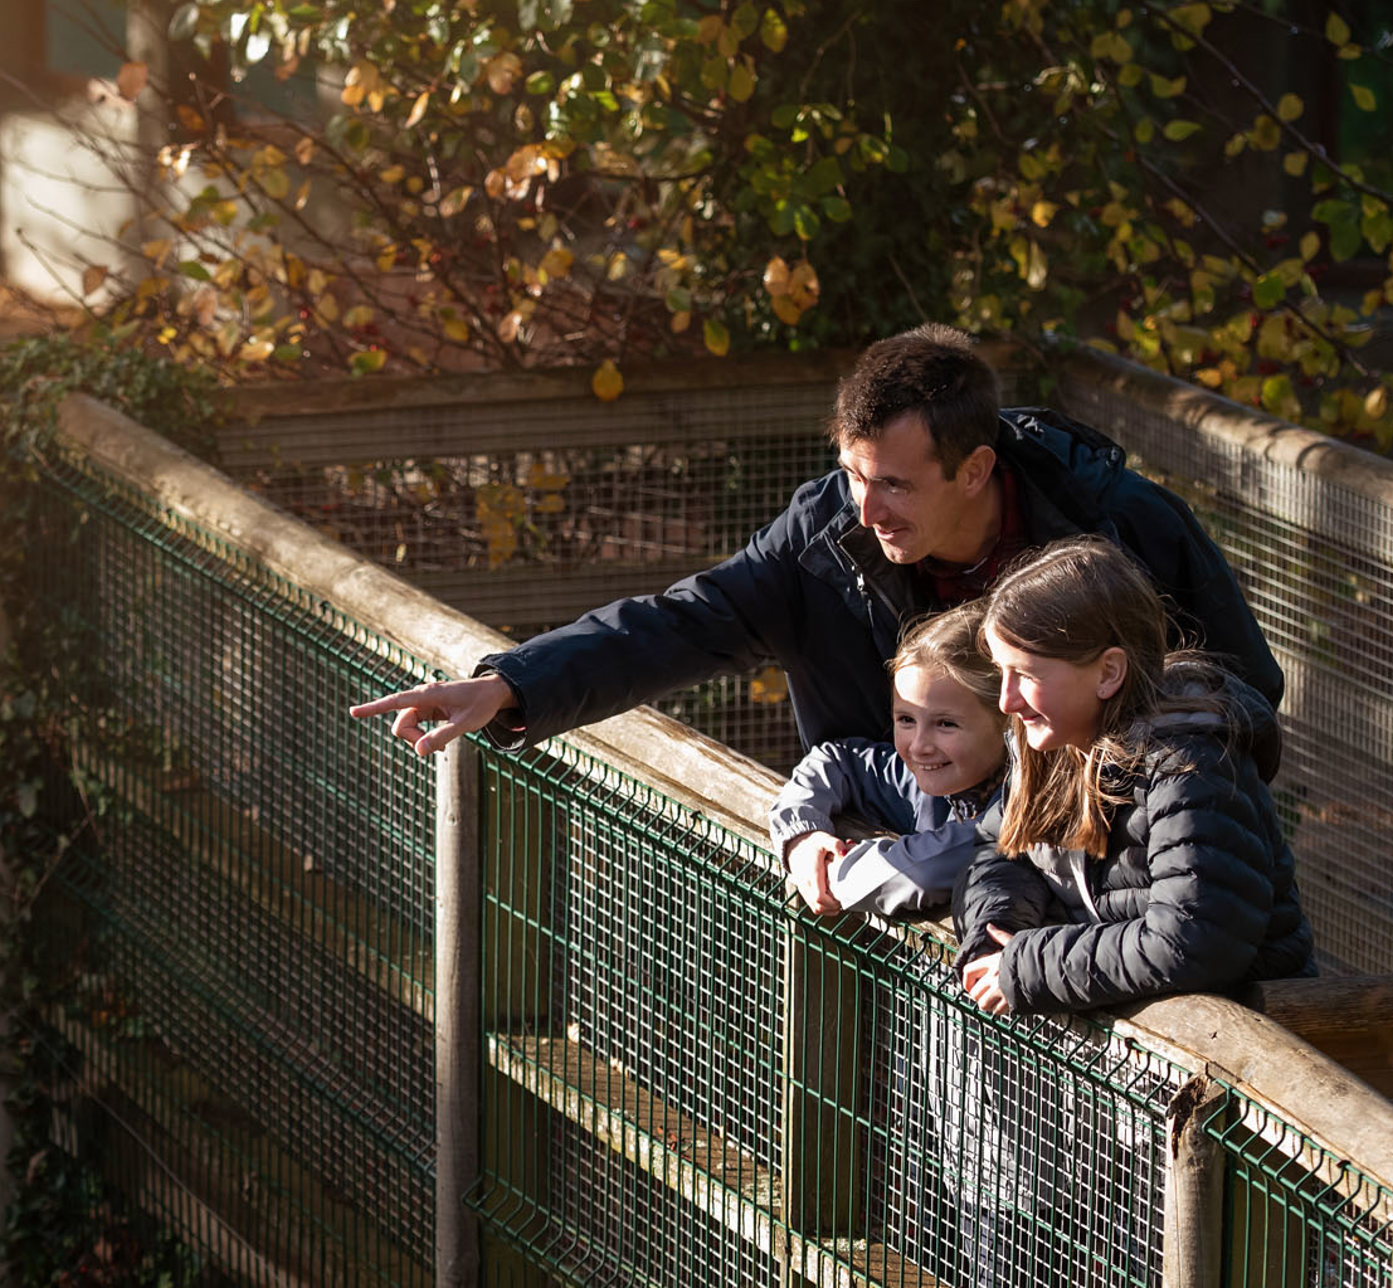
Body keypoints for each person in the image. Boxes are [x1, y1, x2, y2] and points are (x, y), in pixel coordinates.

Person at [352, 324, 1282, 759]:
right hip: (905, 869)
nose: (866, 509)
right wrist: (517, 683)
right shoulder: (824, 539)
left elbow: (1246, 694)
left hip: (1093, 884)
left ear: (975, 470)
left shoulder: (1120, 527)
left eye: (893, 484)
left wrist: (1133, 788)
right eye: (852, 475)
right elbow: (684, 621)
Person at [954, 534, 1314, 1020]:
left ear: (1108, 673)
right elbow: (999, 849)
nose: (1007, 701)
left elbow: (1194, 940)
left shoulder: (1191, 768)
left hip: (1240, 1052)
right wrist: (994, 932)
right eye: (1002, 671)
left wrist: (1026, 966)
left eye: (1027, 674)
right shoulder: (1058, 746)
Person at [769, 601, 1008, 919]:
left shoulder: (1020, 807)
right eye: (906, 719)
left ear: (1007, 722)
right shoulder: (920, 779)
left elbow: (918, 874)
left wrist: (836, 871)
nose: (919, 746)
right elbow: (835, 761)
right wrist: (801, 837)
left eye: (946, 724)